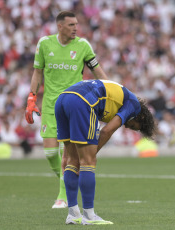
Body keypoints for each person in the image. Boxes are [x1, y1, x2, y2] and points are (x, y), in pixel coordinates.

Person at [25, 11, 108, 209]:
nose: (75, 28)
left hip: (73, 105)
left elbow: (98, 71)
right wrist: (31, 98)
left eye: (76, 24)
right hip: (50, 105)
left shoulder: (83, 46)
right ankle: (67, 180)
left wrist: (110, 90)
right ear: (59, 26)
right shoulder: (44, 44)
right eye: (71, 25)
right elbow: (37, 73)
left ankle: (63, 196)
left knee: (66, 153)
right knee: (50, 153)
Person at [55, 79, 156, 225]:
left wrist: (73, 155)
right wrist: (90, 155)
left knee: (73, 161)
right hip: (83, 101)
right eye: (134, 126)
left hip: (63, 99)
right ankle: (89, 216)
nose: (128, 127)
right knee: (87, 162)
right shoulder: (133, 105)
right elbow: (107, 131)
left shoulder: (122, 97)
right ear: (141, 117)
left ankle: (73, 214)